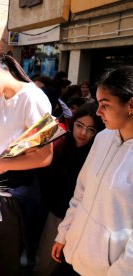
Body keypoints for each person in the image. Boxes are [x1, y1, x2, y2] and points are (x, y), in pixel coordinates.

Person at [0, 49, 53, 276]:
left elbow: (44, 156)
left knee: (6, 263)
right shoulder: (2, 98)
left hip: (14, 195)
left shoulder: (33, 98)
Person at [51, 66, 133, 275]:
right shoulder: (103, 137)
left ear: (130, 105)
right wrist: (65, 232)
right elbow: (82, 191)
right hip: (75, 252)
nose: (98, 112)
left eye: (105, 105)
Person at [34, 103, 104, 276]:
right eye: (79, 126)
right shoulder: (59, 145)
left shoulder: (96, 155)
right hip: (53, 212)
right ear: (72, 123)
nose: (82, 133)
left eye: (90, 129)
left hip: (78, 218)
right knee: (44, 261)